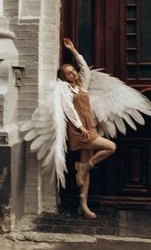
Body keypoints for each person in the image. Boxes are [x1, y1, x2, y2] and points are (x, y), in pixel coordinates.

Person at [58, 38, 116, 219]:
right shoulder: (65, 90)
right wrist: (81, 126)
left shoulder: (82, 86)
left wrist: (74, 51)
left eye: (73, 71)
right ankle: (82, 168)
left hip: (90, 127)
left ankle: (82, 206)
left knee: (86, 168)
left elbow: (84, 68)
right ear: (63, 77)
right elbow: (68, 110)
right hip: (80, 130)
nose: (73, 74)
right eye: (68, 73)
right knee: (111, 147)